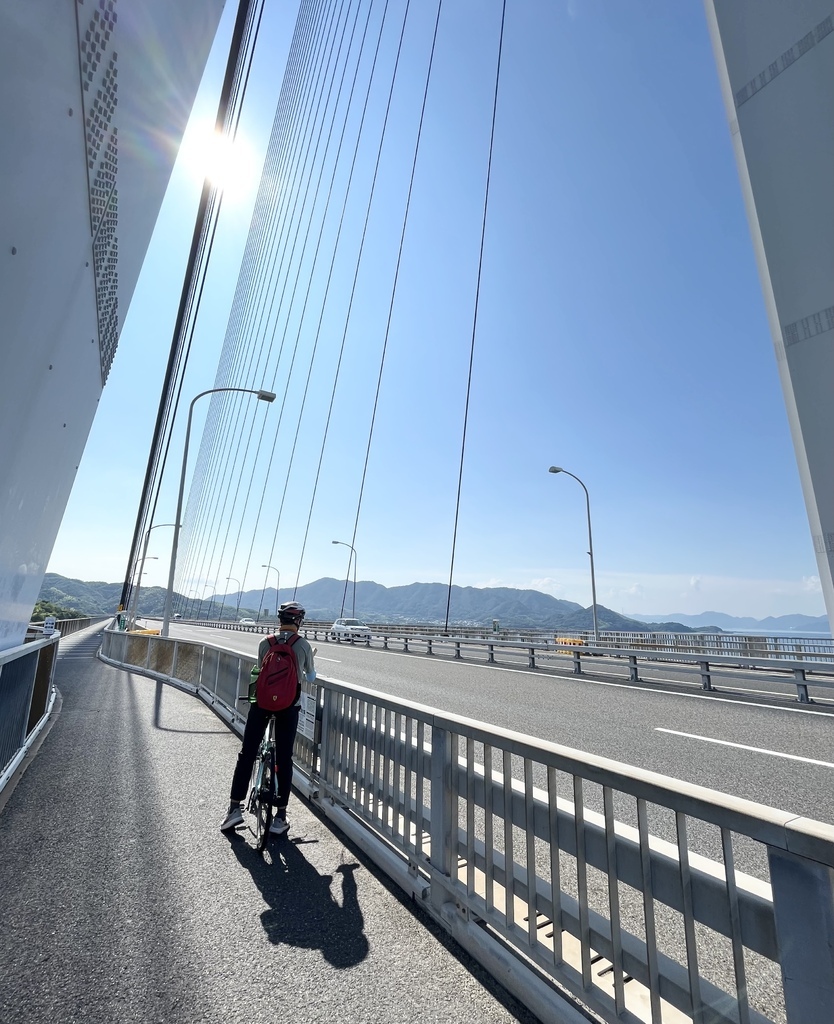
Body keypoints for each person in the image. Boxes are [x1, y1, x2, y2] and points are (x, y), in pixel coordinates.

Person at [220, 600, 316, 836]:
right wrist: (308, 660)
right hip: (288, 707)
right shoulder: (302, 645)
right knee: (284, 759)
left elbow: (260, 670)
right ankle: (280, 817)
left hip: (261, 704)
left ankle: (234, 809)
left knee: (247, 753)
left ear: (280, 621)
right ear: (298, 621)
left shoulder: (266, 642)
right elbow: (310, 677)